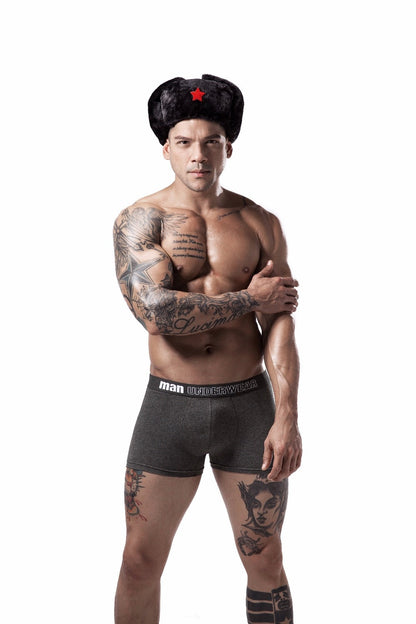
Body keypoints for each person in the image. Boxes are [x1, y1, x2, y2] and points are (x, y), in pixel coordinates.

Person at [113, 74, 302, 624]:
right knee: (140, 561)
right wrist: (248, 298)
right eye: (184, 142)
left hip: (248, 407)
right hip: (170, 406)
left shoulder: (260, 222)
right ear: (165, 149)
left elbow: (279, 320)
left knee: (265, 557)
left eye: (211, 141)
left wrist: (287, 415)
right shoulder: (140, 220)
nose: (198, 154)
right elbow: (155, 312)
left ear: (228, 148)